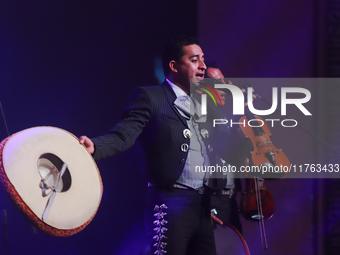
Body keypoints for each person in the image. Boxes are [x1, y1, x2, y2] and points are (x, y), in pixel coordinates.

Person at [79, 36, 227, 255]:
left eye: (203, 59)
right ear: (174, 66)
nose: (203, 66)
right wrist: (96, 147)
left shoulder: (204, 103)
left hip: (202, 208)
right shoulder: (151, 96)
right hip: (168, 204)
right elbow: (123, 136)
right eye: (195, 60)